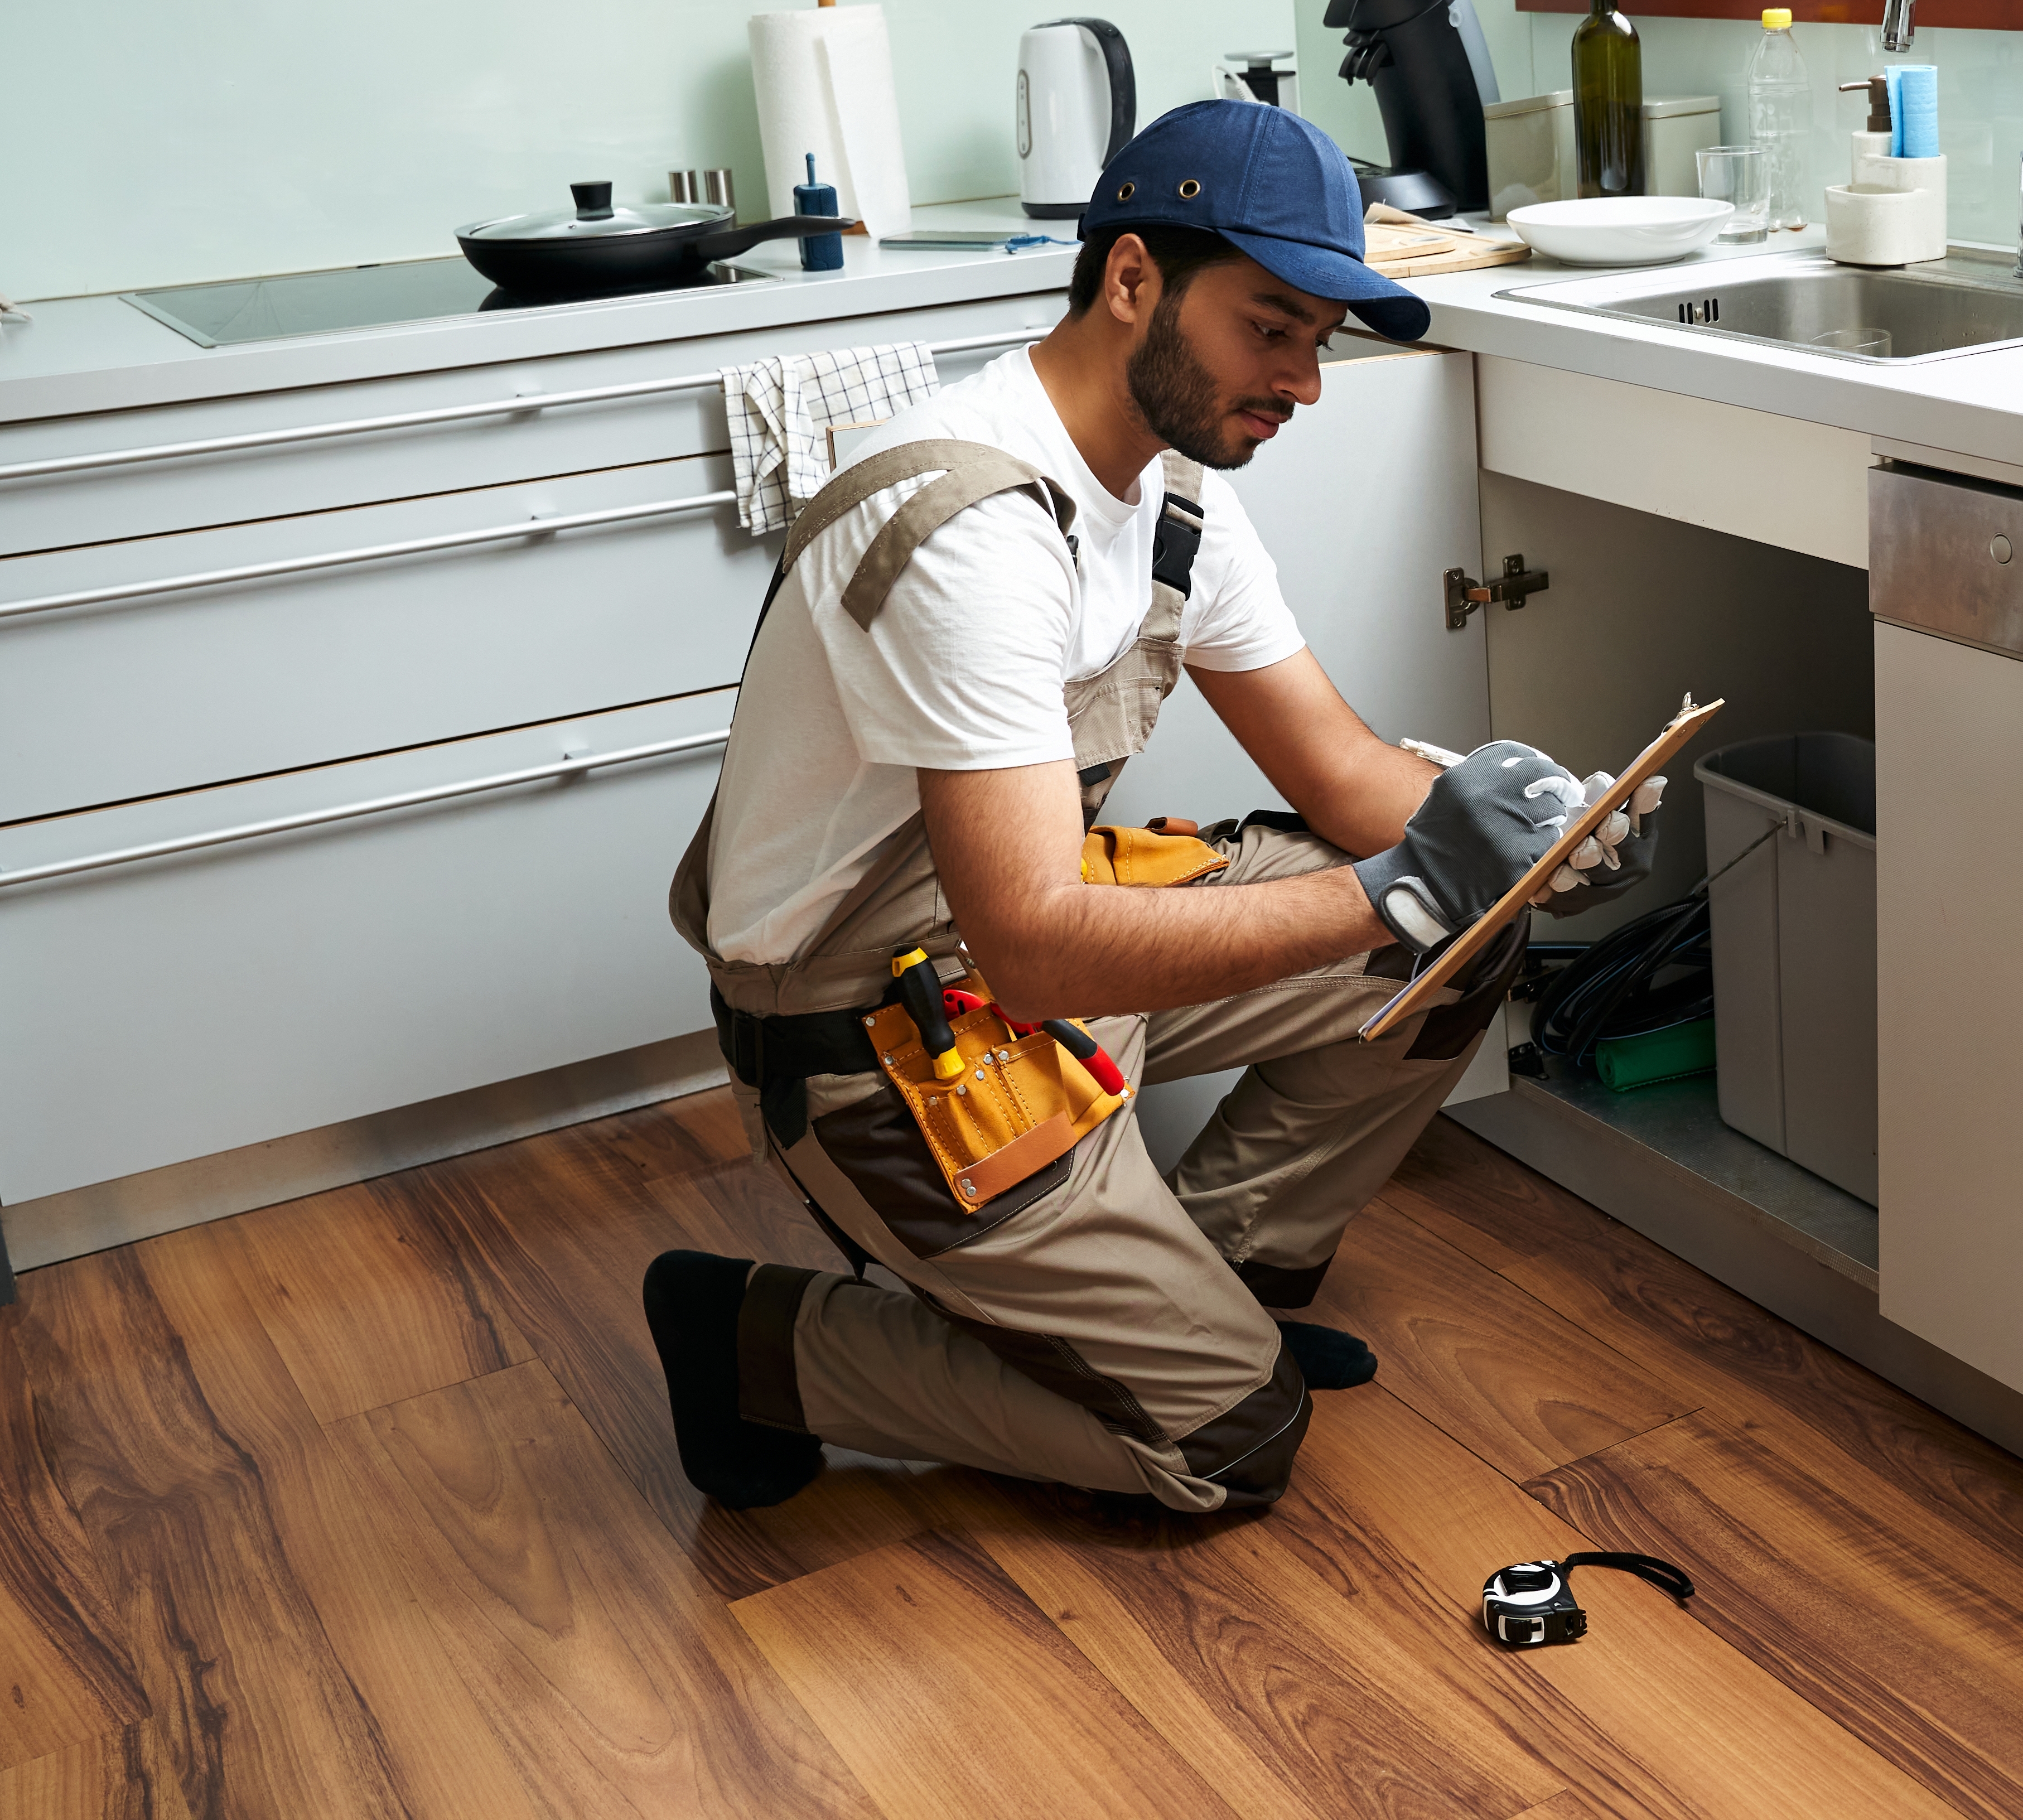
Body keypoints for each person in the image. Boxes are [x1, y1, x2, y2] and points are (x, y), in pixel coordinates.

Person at [648, 99, 1663, 1513]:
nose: (1303, 381)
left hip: (1019, 945)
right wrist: (1399, 888)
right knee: (1229, 1445)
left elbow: (1337, 769)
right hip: (874, 1039)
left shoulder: (1171, 489)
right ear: (1132, 278)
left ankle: (1213, 1296)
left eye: (1320, 340)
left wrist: (1532, 839)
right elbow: (1035, 948)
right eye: (1271, 326)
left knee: (1461, 936)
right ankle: (759, 1344)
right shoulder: (976, 531)